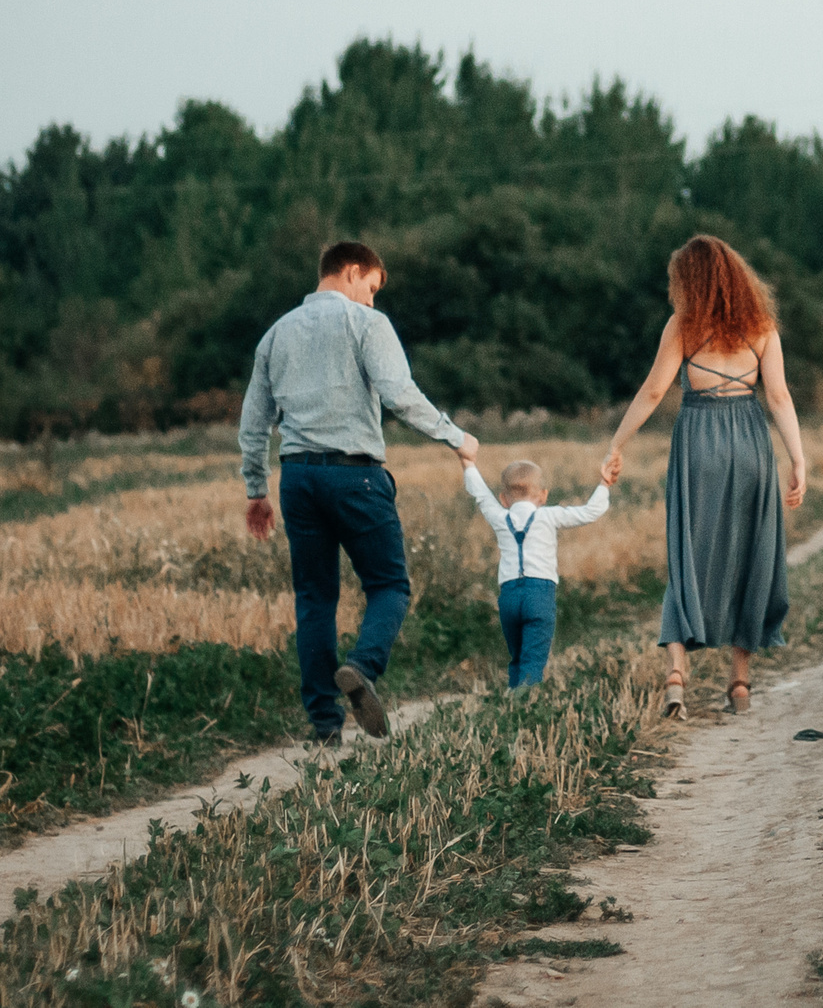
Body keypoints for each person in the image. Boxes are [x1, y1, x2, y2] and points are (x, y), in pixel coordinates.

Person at [239, 240, 478, 744]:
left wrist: (256, 489)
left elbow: (254, 421)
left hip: (297, 479)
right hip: (355, 475)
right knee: (390, 585)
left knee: (314, 598)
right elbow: (399, 394)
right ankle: (362, 667)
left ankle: (324, 724)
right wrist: (456, 437)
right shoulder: (367, 323)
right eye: (370, 288)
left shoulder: (276, 334)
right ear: (351, 272)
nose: (372, 300)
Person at [599, 234, 808, 719]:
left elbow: (654, 392)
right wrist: (798, 459)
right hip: (751, 445)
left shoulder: (683, 326)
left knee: (687, 554)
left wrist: (616, 444)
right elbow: (779, 397)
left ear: (689, 282)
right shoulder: (762, 327)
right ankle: (740, 682)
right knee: (752, 555)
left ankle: (677, 673)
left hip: (698, 444)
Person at [461, 457, 610, 689]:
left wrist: (468, 463)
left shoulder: (500, 517)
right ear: (543, 495)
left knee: (517, 658)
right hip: (539, 595)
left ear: (503, 499)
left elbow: (481, 494)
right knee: (533, 661)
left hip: (509, 597)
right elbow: (591, 511)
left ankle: (513, 700)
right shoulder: (549, 516)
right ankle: (525, 701)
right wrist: (604, 484)